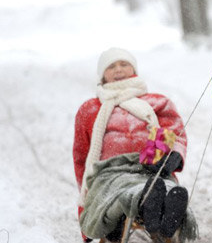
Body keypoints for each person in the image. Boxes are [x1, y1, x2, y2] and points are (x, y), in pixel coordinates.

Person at [73, 47, 196, 242]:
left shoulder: (158, 102)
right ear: (102, 76)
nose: (119, 70)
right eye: (111, 66)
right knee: (125, 191)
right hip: (110, 173)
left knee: (161, 185)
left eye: (124, 64)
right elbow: (81, 158)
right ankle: (149, 207)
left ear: (134, 70)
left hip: (151, 169)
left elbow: (175, 133)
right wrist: (86, 200)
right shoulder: (90, 109)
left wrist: (173, 156)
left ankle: (163, 208)